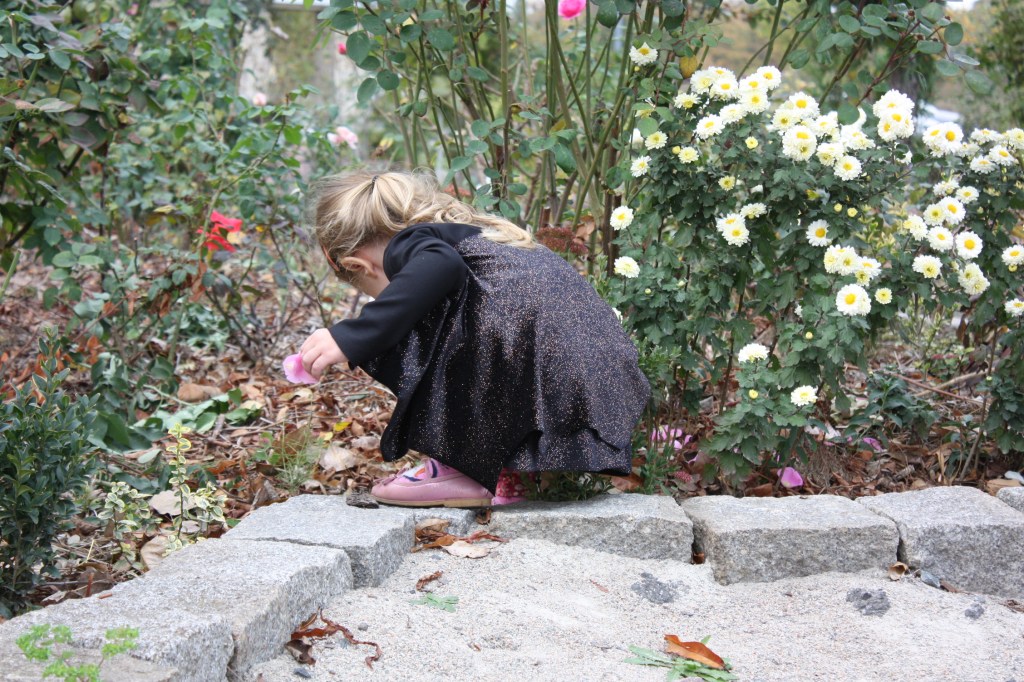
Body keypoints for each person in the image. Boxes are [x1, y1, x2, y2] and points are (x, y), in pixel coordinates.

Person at [298, 170, 649, 507]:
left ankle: (460, 470)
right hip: (599, 372)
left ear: (359, 265)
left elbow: (440, 268)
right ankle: (515, 473)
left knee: (421, 320)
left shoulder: (412, 244)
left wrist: (355, 335)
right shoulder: (478, 239)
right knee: (454, 310)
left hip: (556, 362)